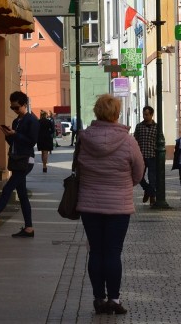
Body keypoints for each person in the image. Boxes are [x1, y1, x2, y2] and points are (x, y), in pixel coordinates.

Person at [76, 94, 145, 315]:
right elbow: (138, 171)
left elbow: (77, 168)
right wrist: (124, 185)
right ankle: (114, 300)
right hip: (118, 206)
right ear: (116, 113)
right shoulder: (128, 140)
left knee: (96, 252)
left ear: (97, 112)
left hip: (89, 204)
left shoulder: (84, 138)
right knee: (113, 253)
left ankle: (98, 298)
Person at [0, 91, 39, 237]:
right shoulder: (16, 121)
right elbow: (14, 142)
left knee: (7, 189)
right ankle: (29, 228)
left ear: (24, 105)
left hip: (26, 160)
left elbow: (31, 141)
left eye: (16, 107)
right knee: (22, 195)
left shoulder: (32, 120)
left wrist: (15, 135)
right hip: (16, 159)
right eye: (12, 108)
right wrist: (8, 136)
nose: (15, 110)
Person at [133, 106, 157, 205]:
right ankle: (148, 190)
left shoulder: (157, 127)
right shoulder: (139, 126)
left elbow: (161, 141)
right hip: (141, 156)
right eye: (144, 114)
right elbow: (135, 140)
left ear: (151, 115)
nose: (145, 116)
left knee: (152, 178)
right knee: (139, 176)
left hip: (152, 156)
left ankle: (152, 197)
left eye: (147, 114)